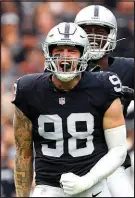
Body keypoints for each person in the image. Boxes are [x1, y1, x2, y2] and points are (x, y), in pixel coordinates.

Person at [12, 22, 127, 197]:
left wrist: (87, 180)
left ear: (84, 54)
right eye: (58, 50)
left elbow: (118, 149)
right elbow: (24, 153)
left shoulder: (103, 86)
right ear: (49, 54)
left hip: (93, 184)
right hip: (48, 187)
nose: (65, 57)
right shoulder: (28, 89)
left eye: (72, 50)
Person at [74, 5, 134, 197]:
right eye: (87, 31)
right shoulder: (62, 70)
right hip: (73, 160)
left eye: (99, 31)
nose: (92, 37)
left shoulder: (128, 68)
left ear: (112, 35)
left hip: (114, 161)